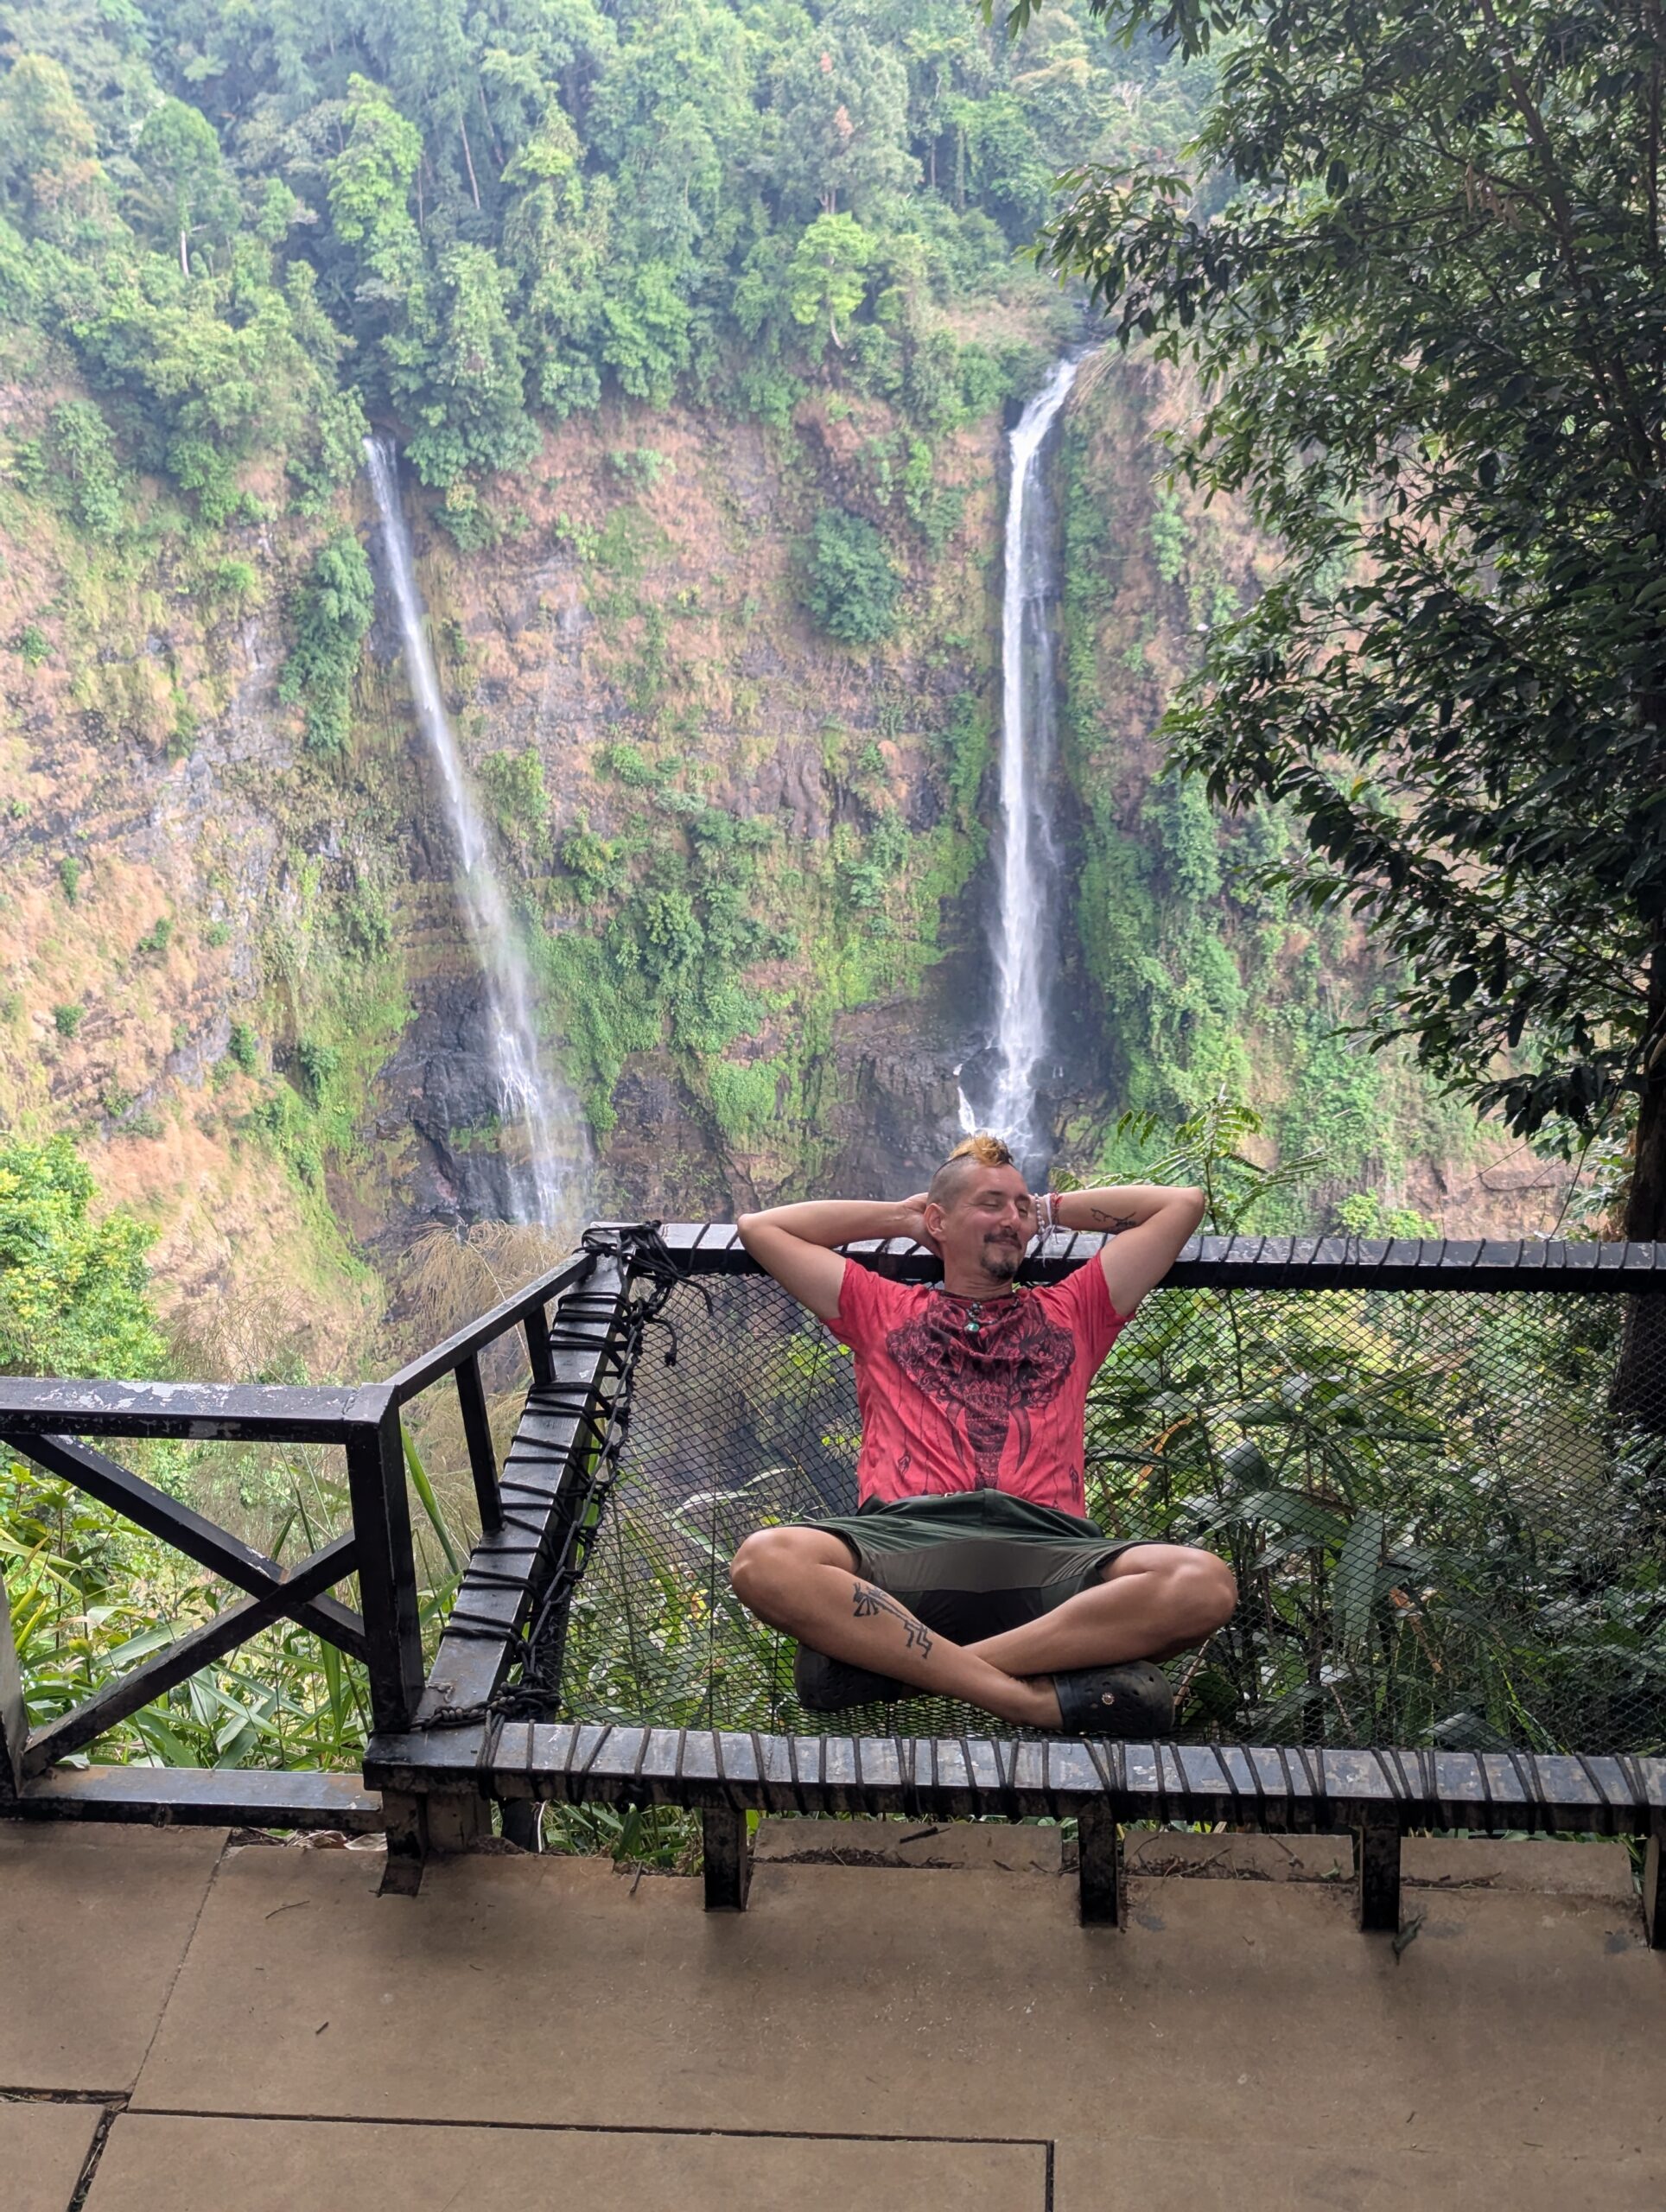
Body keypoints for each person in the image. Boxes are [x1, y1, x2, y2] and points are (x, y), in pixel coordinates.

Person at [729, 1133, 1237, 1737]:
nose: (1011, 1219)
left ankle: (907, 1672)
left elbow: (1182, 1203)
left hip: (1051, 1549)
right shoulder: (878, 1307)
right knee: (765, 1561)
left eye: (1021, 1208)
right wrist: (904, 1218)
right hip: (906, 1542)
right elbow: (761, 1228)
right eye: (990, 1204)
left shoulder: (1077, 1310)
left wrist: (1048, 1210)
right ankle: (1025, 1700)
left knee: (1202, 1583)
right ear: (939, 1222)